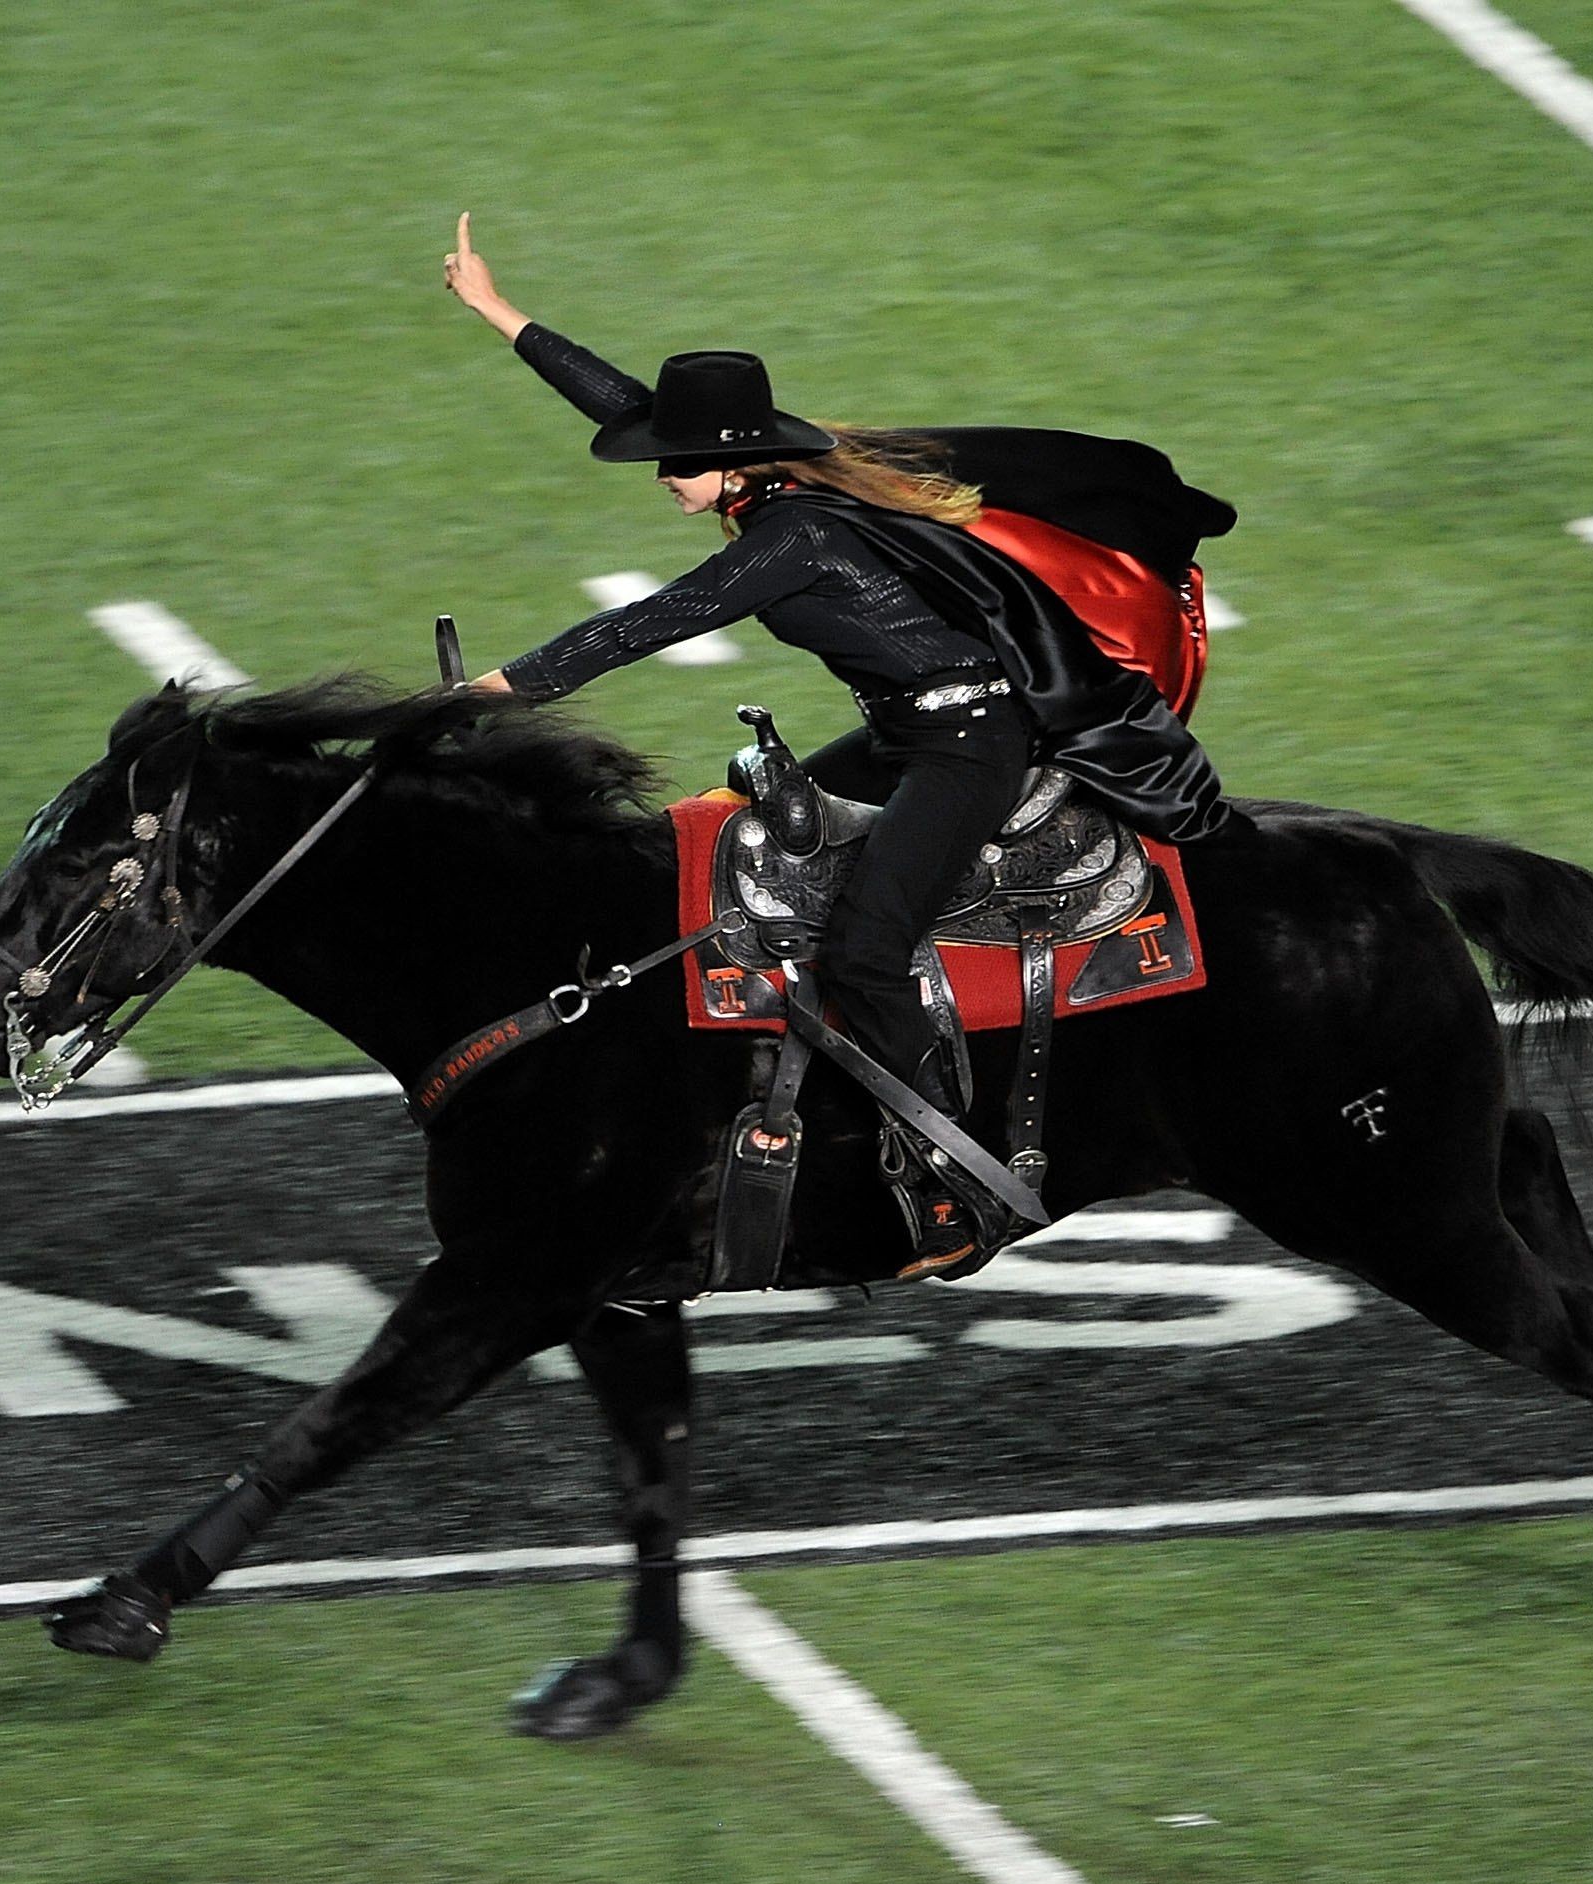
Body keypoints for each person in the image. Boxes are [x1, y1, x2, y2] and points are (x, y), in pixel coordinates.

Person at [443, 214, 1237, 1274]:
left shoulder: (793, 536)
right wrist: (499, 312)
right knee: (754, 861)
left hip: (969, 751)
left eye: (672, 462)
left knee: (864, 946)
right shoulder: (781, 485)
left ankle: (954, 1183)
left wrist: (480, 697)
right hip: (909, 737)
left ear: (729, 464)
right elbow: (633, 405)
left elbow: (639, 626)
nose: (654, 471)